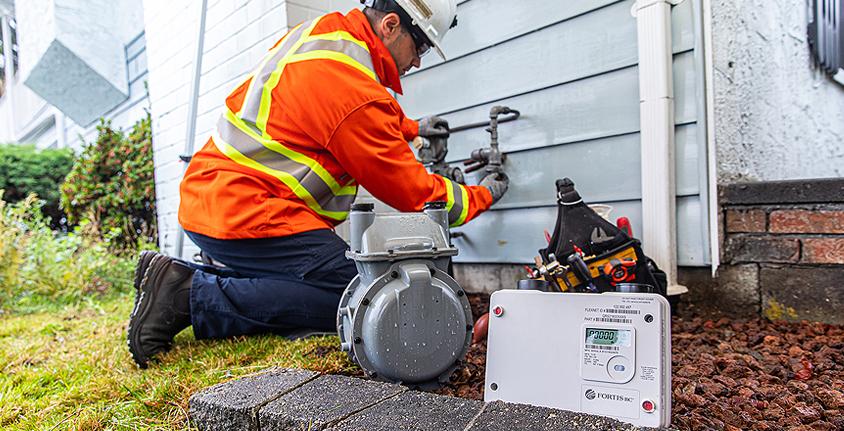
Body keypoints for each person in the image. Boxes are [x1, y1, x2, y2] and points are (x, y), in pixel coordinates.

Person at [127, 0, 509, 368]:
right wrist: (482, 195)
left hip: (217, 199)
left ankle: (174, 277)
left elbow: (350, 109)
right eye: (421, 44)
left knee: (334, 280)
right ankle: (189, 297)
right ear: (391, 25)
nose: (418, 60)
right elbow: (415, 192)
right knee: (361, 297)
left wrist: (411, 128)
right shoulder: (354, 91)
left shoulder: (330, 37)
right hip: (247, 211)